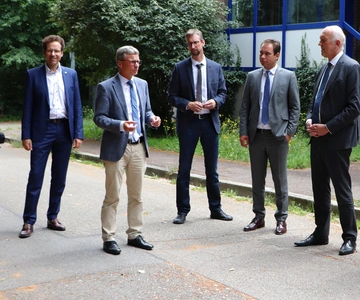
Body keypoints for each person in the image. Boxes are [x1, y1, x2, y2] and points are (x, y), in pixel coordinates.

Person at [294, 25, 360, 256]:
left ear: (338, 43)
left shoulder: (351, 68)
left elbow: (354, 107)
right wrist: (308, 120)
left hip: (338, 140)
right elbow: (315, 101)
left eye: (323, 40)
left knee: (342, 190)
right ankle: (321, 233)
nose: (319, 44)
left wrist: (328, 128)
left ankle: (349, 238)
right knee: (319, 188)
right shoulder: (323, 69)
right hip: (318, 139)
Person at [94, 46, 162, 255]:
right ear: (120, 63)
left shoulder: (142, 85)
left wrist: (152, 119)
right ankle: (109, 237)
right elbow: (99, 118)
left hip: (138, 146)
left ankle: (134, 234)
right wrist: (121, 125)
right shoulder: (106, 87)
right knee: (112, 196)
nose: (136, 65)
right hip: (117, 148)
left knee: (137, 195)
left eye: (138, 61)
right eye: (132, 61)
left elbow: (146, 110)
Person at [19, 35, 84, 238]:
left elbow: (77, 106)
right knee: (36, 176)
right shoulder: (33, 75)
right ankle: (28, 221)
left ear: (62, 53)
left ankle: (52, 216)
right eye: (50, 50)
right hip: (42, 131)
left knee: (59, 178)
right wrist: (26, 135)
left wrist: (78, 133)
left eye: (57, 50)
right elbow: (27, 108)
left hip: (64, 130)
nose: (53, 54)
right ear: (44, 52)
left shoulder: (71, 74)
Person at [168, 29, 231, 224]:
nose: (193, 47)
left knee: (212, 170)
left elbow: (223, 93)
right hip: (189, 124)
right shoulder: (180, 68)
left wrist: (215, 102)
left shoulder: (215, 67)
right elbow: (172, 96)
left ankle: (216, 208)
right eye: (189, 44)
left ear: (203, 43)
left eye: (196, 42)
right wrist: (187, 104)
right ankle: (182, 210)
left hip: (210, 123)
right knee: (184, 168)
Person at [238, 39, 300, 235]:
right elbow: (245, 106)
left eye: (267, 53)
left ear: (277, 55)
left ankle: (281, 219)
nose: (262, 57)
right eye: (261, 53)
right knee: (257, 179)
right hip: (256, 136)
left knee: (280, 180)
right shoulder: (252, 77)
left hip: (278, 137)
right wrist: (243, 132)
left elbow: (295, 107)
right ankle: (259, 216)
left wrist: (289, 132)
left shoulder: (288, 77)